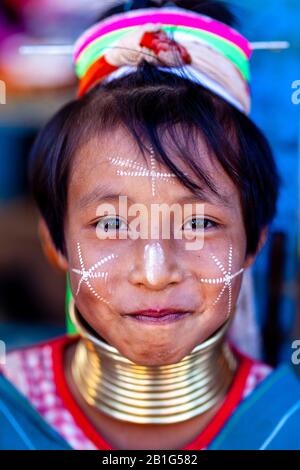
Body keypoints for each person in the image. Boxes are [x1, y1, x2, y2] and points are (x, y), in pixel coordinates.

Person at [1, 0, 300, 450]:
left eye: (198, 221)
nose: (155, 273)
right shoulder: (9, 414)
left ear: (253, 240)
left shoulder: (286, 421)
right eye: (112, 224)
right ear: (56, 241)